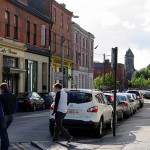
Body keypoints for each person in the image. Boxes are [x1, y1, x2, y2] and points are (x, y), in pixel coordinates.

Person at [0, 83, 16, 150]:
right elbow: (16, 105)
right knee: (4, 131)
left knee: (3, 132)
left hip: (4, 116)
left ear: (1, 89)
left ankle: (4, 147)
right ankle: (6, 144)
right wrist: (13, 112)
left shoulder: (1, 96)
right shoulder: (13, 95)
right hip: (11, 116)